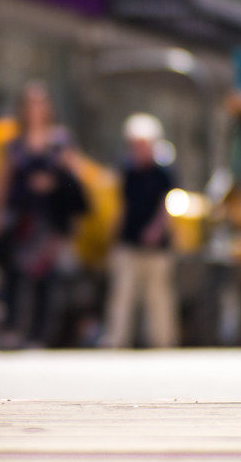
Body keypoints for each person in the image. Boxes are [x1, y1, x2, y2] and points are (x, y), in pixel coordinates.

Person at [0, 81, 88, 347]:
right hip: (22, 219)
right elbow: (1, 182)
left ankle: (40, 335)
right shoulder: (14, 145)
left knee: (47, 278)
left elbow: (78, 179)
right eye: (30, 103)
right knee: (15, 275)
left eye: (40, 103)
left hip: (50, 220)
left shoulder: (60, 141)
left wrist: (54, 183)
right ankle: (12, 330)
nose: (36, 109)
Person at [103, 113, 179, 348]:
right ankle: (116, 340)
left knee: (158, 297)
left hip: (157, 245)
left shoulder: (163, 171)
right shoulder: (126, 170)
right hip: (129, 240)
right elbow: (120, 205)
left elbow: (167, 204)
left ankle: (162, 342)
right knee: (121, 294)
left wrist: (156, 229)